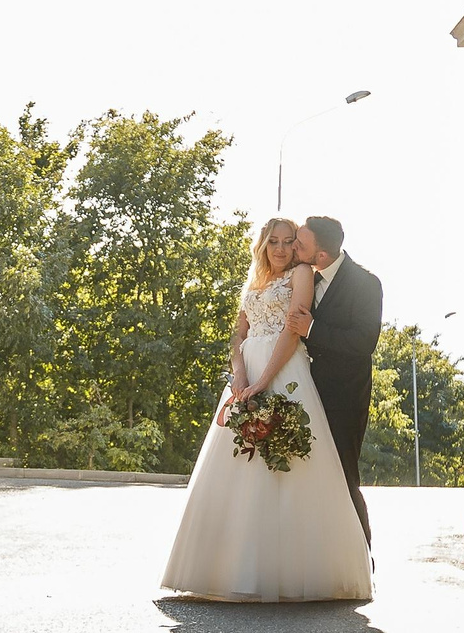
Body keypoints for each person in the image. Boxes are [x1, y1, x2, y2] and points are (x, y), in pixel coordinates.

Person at [159, 217, 373, 602]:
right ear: (263, 244)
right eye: (273, 241)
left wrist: (263, 381)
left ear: (301, 249)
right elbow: (238, 334)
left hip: (288, 371)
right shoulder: (254, 280)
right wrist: (239, 376)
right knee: (240, 465)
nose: (281, 248)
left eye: (289, 242)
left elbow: (294, 330)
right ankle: (230, 567)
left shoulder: (304, 273)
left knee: (299, 465)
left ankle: (308, 568)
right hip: (249, 371)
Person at [297, 214, 383, 546]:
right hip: (302, 390)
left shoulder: (366, 284)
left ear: (321, 255)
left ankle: (360, 557)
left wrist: (312, 330)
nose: (293, 247)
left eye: (300, 244)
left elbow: (364, 343)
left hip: (344, 397)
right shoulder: (302, 275)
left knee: (344, 474)